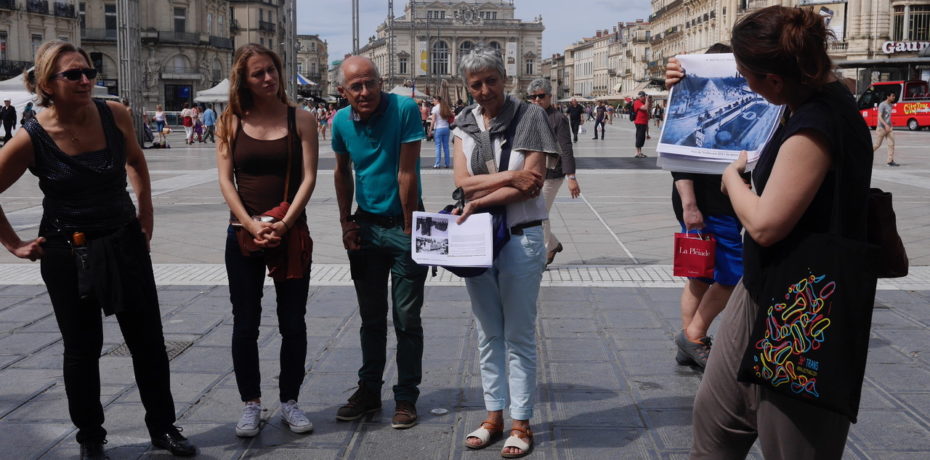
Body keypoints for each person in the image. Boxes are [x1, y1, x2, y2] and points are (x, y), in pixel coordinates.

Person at [667, 6, 875, 458]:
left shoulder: (817, 125)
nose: (742, 85)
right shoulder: (801, 95)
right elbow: (734, 101)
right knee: (714, 426)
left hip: (805, 305)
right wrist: (688, 84)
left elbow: (764, 224)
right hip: (761, 289)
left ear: (775, 81)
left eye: (745, 76)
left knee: (795, 443)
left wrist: (730, 180)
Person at [0, 40, 196, 459]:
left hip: (124, 240)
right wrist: (14, 244)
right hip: (67, 251)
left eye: (89, 73)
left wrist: (146, 215)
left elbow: (136, 162)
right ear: (47, 84)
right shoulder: (31, 135)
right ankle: (91, 435)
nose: (86, 80)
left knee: (148, 342)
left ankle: (163, 427)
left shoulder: (114, 114)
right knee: (82, 348)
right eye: (73, 74)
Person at [453, 48, 560, 458]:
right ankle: (492, 416)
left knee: (517, 332)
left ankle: (521, 422)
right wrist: (509, 176)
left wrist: (482, 196)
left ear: (504, 78)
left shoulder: (530, 116)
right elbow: (462, 182)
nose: (484, 91)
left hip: (520, 236)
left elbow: (531, 184)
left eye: (490, 81)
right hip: (478, 239)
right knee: (487, 333)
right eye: (475, 84)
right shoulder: (463, 123)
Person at [215, 44, 319, 439]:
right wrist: (250, 223)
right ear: (244, 80)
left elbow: (309, 176)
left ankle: (290, 400)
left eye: (272, 70)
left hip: (291, 233)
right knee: (245, 323)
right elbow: (226, 180)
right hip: (242, 235)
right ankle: (251, 404)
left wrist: (285, 222)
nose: (268, 78)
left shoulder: (301, 118)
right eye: (258, 73)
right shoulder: (230, 121)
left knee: (293, 322)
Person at [331, 56, 428, 430]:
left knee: (407, 319)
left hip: (406, 223)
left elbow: (407, 171)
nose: (365, 91)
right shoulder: (340, 121)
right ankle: (369, 390)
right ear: (344, 91)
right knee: (371, 317)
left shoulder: (404, 109)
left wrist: (407, 228)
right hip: (367, 226)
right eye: (356, 86)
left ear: (380, 81)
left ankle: (405, 396)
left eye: (370, 83)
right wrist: (345, 222)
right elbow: (342, 172)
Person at [665, 43, 744, 371]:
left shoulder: (732, 101)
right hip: (705, 200)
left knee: (699, 274)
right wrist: (690, 205)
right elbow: (678, 155)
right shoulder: (693, 95)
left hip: (722, 198)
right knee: (732, 271)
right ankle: (695, 336)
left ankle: (689, 342)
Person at [526, 78, 581, 266]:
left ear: (549, 96)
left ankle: (541, 255)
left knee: (538, 213)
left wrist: (571, 177)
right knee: (539, 213)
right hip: (533, 173)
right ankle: (553, 245)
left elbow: (566, 148)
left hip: (551, 174)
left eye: (541, 96)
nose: (536, 100)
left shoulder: (558, 119)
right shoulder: (529, 115)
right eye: (532, 97)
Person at [873, 91, 898, 166]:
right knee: (877, 145)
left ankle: (889, 161)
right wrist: (885, 125)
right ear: (888, 96)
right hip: (881, 128)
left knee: (891, 144)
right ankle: (866, 154)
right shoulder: (882, 105)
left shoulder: (890, 105)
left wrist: (889, 125)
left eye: (894, 96)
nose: (894, 97)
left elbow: (888, 116)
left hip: (889, 128)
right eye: (892, 96)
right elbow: (879, 117)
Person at [430, 95, 453, 168]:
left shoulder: (435, 108)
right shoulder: (445, 107)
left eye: (433, 100)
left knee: (438, 147)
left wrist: (430, 129)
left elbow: (433, 120)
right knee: (446, 146)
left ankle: (437, 164)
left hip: (438, 128)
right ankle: (447, 164)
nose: (433, 102)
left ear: (437, 100)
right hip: (446, 128)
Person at [632, 91, 651, 158]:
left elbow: (648, 108)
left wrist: (648, 100)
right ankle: (637, 152)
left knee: (642, 138)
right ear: (641, 97)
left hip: (643, 122)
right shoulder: (637, 102)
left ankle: (640, 152)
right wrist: (647, 100)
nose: (644, 98)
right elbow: (645, 108)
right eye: (644, 97)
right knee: (639, 137)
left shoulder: (642, 102)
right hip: (639, 122)